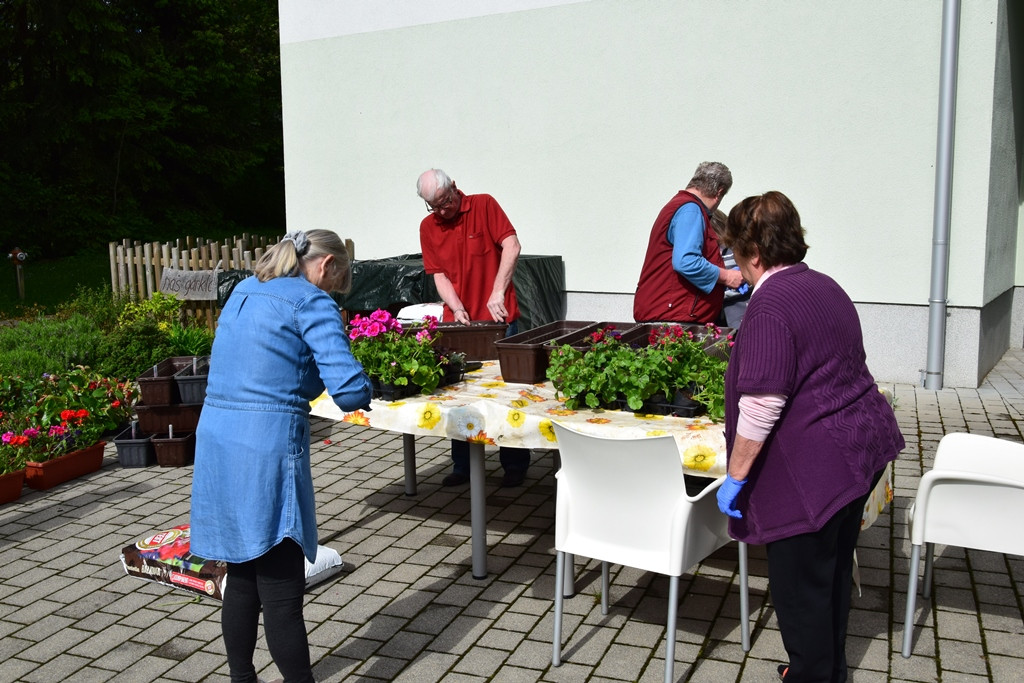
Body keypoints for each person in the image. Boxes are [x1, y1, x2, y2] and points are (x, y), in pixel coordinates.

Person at [714, 192, 905, 682]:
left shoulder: (770, 305)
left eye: (735, 251)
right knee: (832, 574)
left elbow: (761, 404)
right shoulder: (823, 284)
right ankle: (827, 668)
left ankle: (811, 675)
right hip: (858, 453)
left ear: (753, 252)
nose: (736, 260)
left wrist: (735, 476)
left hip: (816, 474)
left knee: (800, 589)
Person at [190, 230, 372, 683]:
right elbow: (348, 393)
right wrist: (370, 386)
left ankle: (241, 679)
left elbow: (279, 370)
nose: (331, 293)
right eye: (335, 284)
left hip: (217, 441)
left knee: (242, 574)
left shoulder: (243, 291)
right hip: (265, 447)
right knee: (281, 590)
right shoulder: (310, 300)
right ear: (326, 265)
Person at [417, 168, 530, 488]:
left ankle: (514, 465)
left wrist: (497, 291)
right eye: (433, 206)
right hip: (461, 323)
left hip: (500, 319)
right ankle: (463, 465)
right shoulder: (428, 226)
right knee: (460, 395)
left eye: (444, 201)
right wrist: (455, 306)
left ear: (454, 188)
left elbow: (512, 246)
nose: (441, 210)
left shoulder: (483, 205)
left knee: (507, 394)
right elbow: (439, 274)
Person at [633, 161, 745, 323]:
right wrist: (727, 276)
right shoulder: (691, 209)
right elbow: (686, 261)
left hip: (667, 313)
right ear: (719, 193)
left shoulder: (679, 205)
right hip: (673, 316)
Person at [711, 209, 751, 328]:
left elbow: (748, 280)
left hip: (739, 310)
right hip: (719, 314)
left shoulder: (734, 251)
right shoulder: (705, 254)